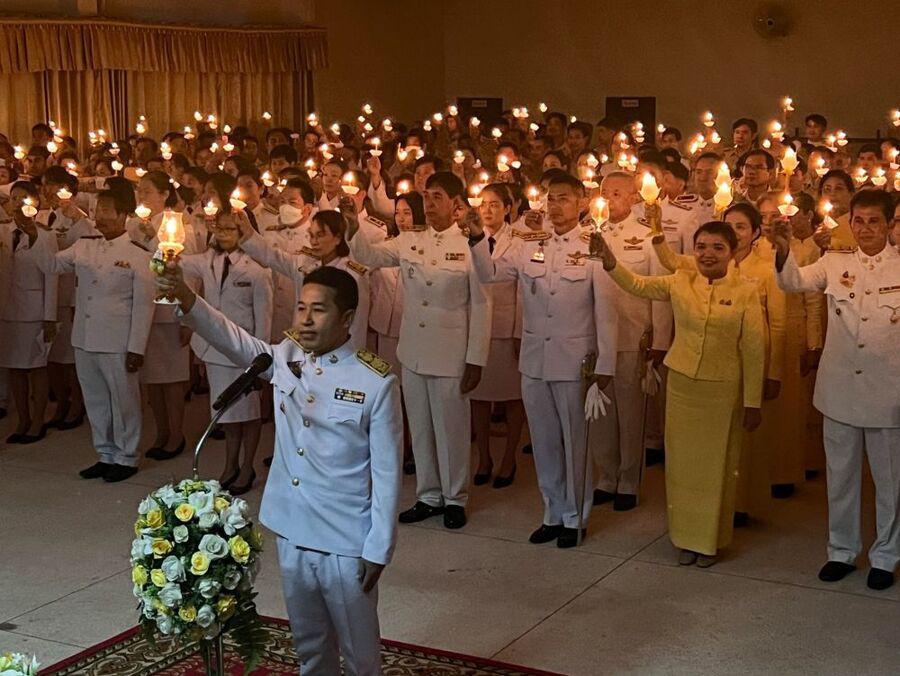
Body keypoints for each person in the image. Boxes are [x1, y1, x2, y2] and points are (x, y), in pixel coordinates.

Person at [157, 263, 402, 675]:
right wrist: (185, 297)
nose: (305, 319)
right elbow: (230, 336)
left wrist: (378, 547)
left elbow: (388, 474)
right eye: (301, 308)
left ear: (346, 318)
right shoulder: (285, 357)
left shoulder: (374, 382)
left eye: (318, 310)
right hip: (292, 528)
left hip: (345, 540)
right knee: (309, 644)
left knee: (360, 653)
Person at [592, 221, 765, 567]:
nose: (708, 254)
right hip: (683, 386)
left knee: (716, 468)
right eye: (701, 247)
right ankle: (685, 537)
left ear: (732, 252)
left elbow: (754, 348)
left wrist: (752, 401)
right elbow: (637, 284)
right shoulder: (680, 281)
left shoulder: (747, 291)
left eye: (718, 247)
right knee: (683, 468)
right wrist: (610, 261)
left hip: (722, 390)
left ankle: (710, 541)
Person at [467, 173, 618, 547]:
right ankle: (552, 512)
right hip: (535, 359)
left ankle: (576, 516)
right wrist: (476, 237)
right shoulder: (529, 244)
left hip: (574, 360)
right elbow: (489, 273)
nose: (556, 205)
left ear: (581, 203)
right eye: (551, 198)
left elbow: (607, 312)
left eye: (564, 198)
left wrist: (605, 364)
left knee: (575, 441)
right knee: (544, 440)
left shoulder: (594, 246)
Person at [770, 189, 900, 591]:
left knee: (890, 482)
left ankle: (886, 555)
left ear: (890, 224)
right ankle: (841, 550)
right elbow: (794, 281)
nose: (865, 229)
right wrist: (783, 249)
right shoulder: (834, 261)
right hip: (840, 389)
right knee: (840, 477)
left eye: (874, 221)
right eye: (859, 220)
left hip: (887, 392)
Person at [347, 171, 491, 530]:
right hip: (413, 349)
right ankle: (429, 494)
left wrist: (476, 358)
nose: (429, 203)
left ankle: (455, 497)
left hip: (451, 351)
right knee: (421, 426)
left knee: (451, 428)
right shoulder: (411, 239)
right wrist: (353, 225)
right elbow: (368, 255)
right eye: (426, 196)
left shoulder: (469, 243)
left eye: (437, 196)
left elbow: (483, 302)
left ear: (456, 204)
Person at [32, 190, 155, 481]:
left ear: (123, 215)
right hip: (85, 337)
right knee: (96, 399)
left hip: (118, 340)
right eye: (98, 209)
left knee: (123, 401)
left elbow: (143, 305)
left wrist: (137, 347)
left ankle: (127, 457)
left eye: (108, 210)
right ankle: (105, 453)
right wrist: (36, 234)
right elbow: (50, 265)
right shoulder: (84, 245)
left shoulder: (138, 254)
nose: (100, 215)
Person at [590, 172, 671, 511]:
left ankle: (628, 479)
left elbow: (660, 291)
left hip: (631, 334)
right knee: (601, 414)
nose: (610, 200)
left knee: (631, 412)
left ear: (634, 197)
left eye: (617, 193)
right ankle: (606, 475)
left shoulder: (646, 236)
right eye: (605, 193)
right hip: (596, 338)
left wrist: (660, 338)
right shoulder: (588, 234)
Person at [180, 208, 273, 494]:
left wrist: (261, 361)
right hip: (215, 349)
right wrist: (160, 241)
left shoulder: (257, 269)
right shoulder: (208, 260)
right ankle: (230, 463)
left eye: (229, 229)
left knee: (249, 413)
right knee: (226, 413)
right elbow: (177, 262)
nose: (222, 234)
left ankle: (247, 466)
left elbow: (264, 317)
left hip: (244, 351)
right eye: (219, 228)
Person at [129, 171, 196, 461]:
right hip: (144, 311)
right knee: (152, 379)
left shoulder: (179, 227)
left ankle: (176, 434)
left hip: (171, 312)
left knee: (172, 378)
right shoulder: (133, 226)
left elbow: (189, 274)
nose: (142, 197)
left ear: (164, 194)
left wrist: (188, 317)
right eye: (139, 191)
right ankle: (161, 431)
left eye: (147, 191)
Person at [239, 208, 371, 350]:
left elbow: (357, 324)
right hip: (303, 345)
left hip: (334, 349)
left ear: (338, 237)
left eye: (320, 235)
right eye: (311, 235)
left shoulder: (353, 274)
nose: (314, 242)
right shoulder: (305, 262)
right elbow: (272, 256)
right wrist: (249, 233)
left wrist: (349, 358)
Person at [468, 184, 526, 489]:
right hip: (477, 326)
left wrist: (519, 332)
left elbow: (523, 291)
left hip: (505, 327)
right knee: (478, 396)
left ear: (508, 207)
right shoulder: (467, 237)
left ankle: (508, 458)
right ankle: (484, 457)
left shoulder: (519, 241)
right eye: (483, 204)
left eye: (494, 204)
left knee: (512, 397)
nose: (488, 210)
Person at [0, 181, 58, 443]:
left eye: (24, 199)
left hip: (34, 309)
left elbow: (51, 277)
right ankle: (22, 419)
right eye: (14, 198)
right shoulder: (3, 231)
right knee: (14, 367)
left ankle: (37, 420)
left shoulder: (45, 235)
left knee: (36, 366)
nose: (18, 204)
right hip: (7, 309)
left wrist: (49, 316)